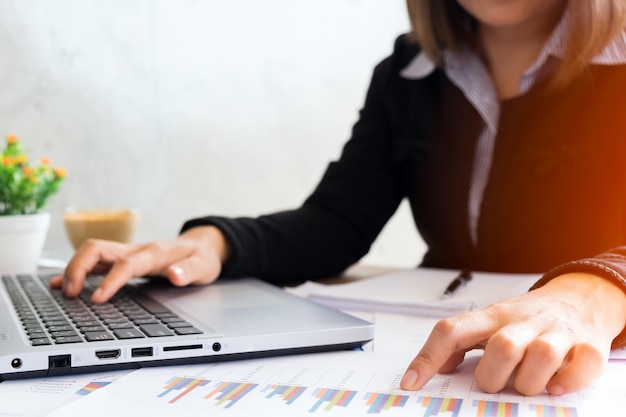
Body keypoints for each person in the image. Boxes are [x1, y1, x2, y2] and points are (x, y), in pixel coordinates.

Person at [52, 0, 626, 397]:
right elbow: (337, 221)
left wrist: (591, 293)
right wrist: (215, 242)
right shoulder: (406, 72)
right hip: (447, 350)